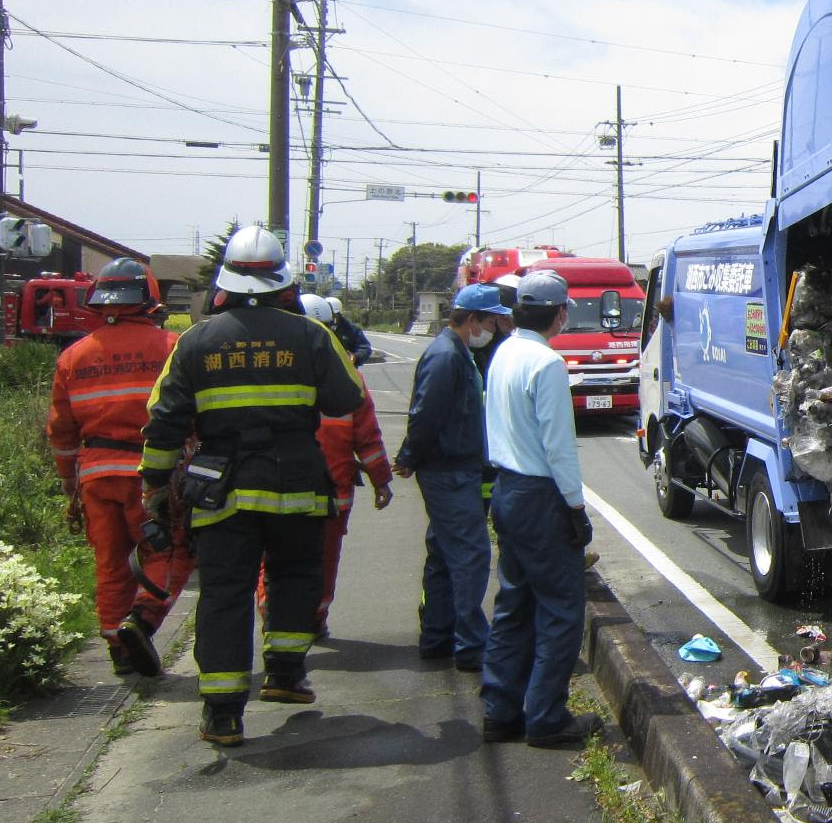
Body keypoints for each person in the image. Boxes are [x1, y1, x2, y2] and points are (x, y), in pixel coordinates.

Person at [141, 225, 363, 746]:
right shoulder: (311, 335)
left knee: (224, 594)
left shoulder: (194, 342)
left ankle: (222, 714)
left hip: (222, 488)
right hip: (298, 480)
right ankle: (285, 675)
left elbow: (163, 421)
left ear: (226, 282)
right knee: (295, 576)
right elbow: (346, 399)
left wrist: (154, 487)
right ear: (283, 280)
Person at [45, 258, 193, 677]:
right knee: (170, 550)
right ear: (149, 299)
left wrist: (67, 487)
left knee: (111, 563)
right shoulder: (171, 348)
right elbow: (192, 415)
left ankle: (118, 649)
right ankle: (141, 621)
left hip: (96, 475)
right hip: (155, 474)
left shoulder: (74, 357)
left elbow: (61, 432)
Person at [480, 270, 599, 748]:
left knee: (514, 605)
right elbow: (559, 447)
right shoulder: (547, 364)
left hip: (507, 490)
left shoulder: (503, 353)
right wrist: (576, 507)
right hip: (540, 496)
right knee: (561, 610)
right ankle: (547, 718)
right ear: (560, 313)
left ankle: (500, 711)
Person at [255, 294, 392, 638]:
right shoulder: (348, 377)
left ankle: (271, 609)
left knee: (272, 557)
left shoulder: (273, 368)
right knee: (323, 561)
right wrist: (381, 481)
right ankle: (313, 618)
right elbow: (368, 438)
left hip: (277, 484)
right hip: (333, 492)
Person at [393, 282, 506, 668]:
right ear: (472, 319)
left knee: (443, 553)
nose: (493, 328)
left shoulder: (456, 352)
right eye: (490, 320)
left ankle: (437, 636)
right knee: (471, 555)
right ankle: (472, 644)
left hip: (454, 467)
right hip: (449, 470)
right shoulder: (446, 356)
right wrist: (409, 455)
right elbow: (425, 413)